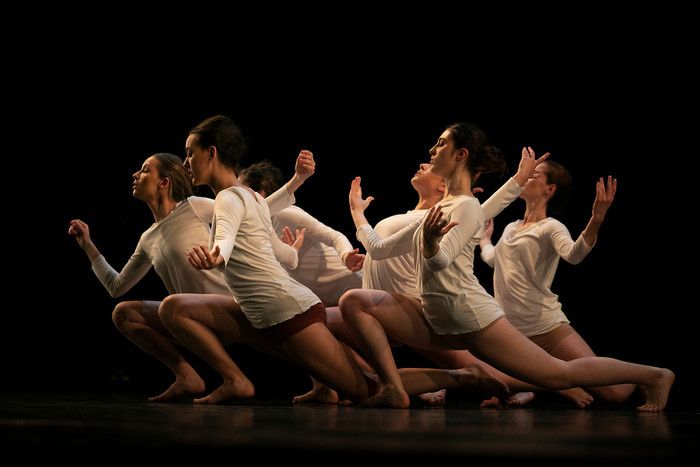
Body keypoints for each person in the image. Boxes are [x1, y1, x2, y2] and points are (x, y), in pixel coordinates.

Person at [159, 115, 512, 405]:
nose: (185, 162)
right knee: (175, 308)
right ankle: (240, 379)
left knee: (367, 388)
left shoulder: (231, 200)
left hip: (289, 314)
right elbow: (277, 253)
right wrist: (285, 235)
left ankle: (464, 377)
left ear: (211, 154)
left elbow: (225, 242)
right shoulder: (247, 198)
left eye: (190, 153)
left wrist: (214, 255)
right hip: (266, 311)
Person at [339, 122, 674, 411]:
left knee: (558, 374)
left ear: (461, 155)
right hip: (436, 317)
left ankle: (654, 375)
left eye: (441, 143)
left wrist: (428, 246)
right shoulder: (448, 207)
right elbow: (379, 250)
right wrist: (356, 212)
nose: (432, 149)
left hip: (467, 316)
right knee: (354, 300)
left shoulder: (466, 207)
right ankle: (392, 389)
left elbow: (441, 259)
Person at [68, 150, 313, 402]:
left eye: (144, 169)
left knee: (296, 348)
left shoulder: (194, 206)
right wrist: (87, 245)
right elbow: (116, 286)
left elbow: (252, 207)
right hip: (190, 319)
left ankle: (239, 379)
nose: (135, 174)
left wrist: (297, 179)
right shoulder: (148, 238)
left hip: (231, 308)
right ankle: (187, 376)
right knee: (124, 313)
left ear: (164, 182)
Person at [478, 160, 636, 405]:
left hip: (545, 325)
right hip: (513, 330)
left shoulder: (550, 227)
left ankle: (643, 377)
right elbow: (492, 259)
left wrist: (596, 219)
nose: (527, 176)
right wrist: (484, 240)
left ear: (549, 190)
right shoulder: (511, 227)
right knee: (496, 381)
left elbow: (574, 255)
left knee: (614, 393)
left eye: (535, 175)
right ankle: (545, 388)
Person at [239, 161, 363, 306]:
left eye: (240, 191)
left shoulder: (284, 214)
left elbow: (334, 236)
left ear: (259, 195)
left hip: (354, 283)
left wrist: (346, 255)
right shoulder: (254, 231)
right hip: (330, 301)